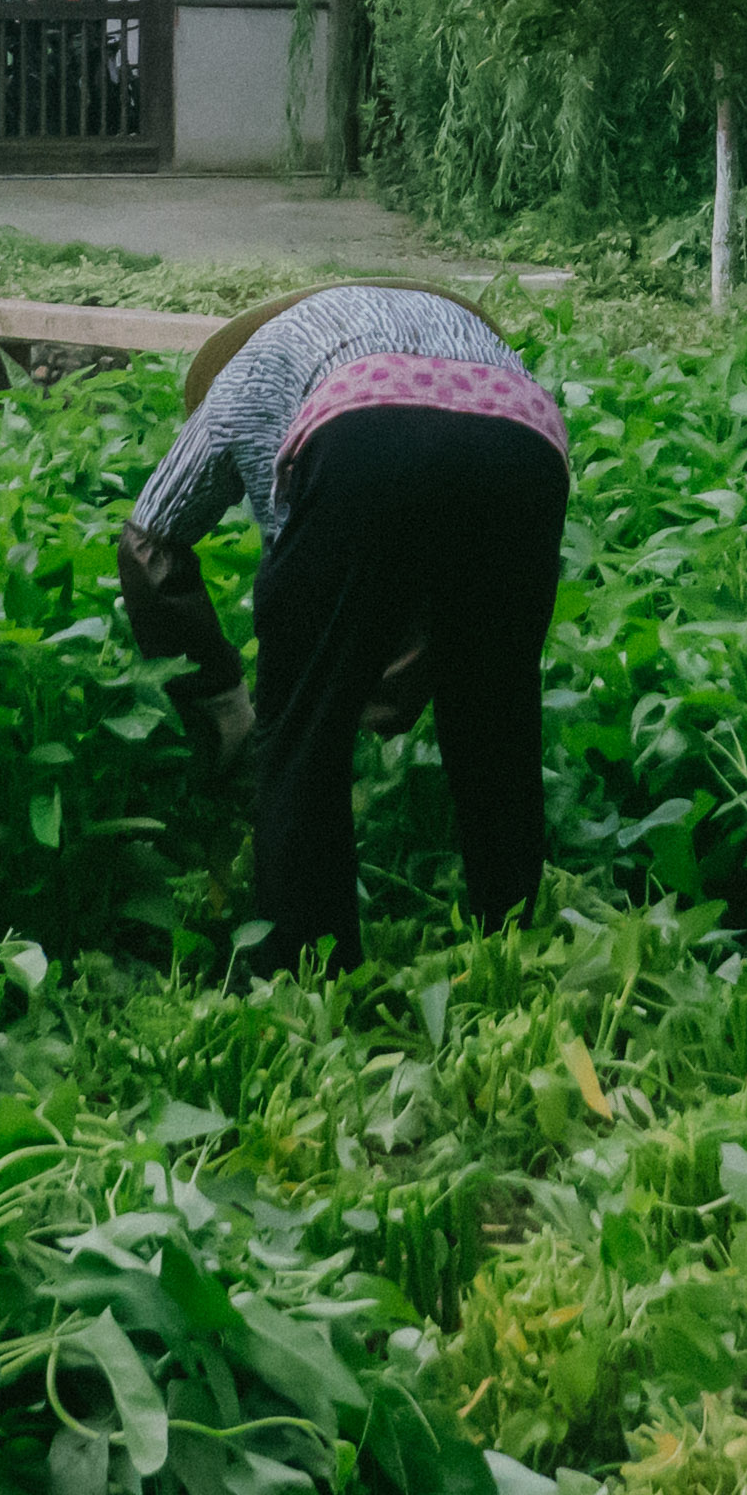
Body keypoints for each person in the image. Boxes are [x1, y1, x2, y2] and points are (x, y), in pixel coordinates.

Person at [116, 277, 565, 974]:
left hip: (361, 431)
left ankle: (309, 971)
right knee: (497, 720)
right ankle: (512, 945)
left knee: (302, 736)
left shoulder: (244, 374)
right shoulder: (449, 330)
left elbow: (152, 541)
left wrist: (224, 706)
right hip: (525, 438)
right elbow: (413, 567)